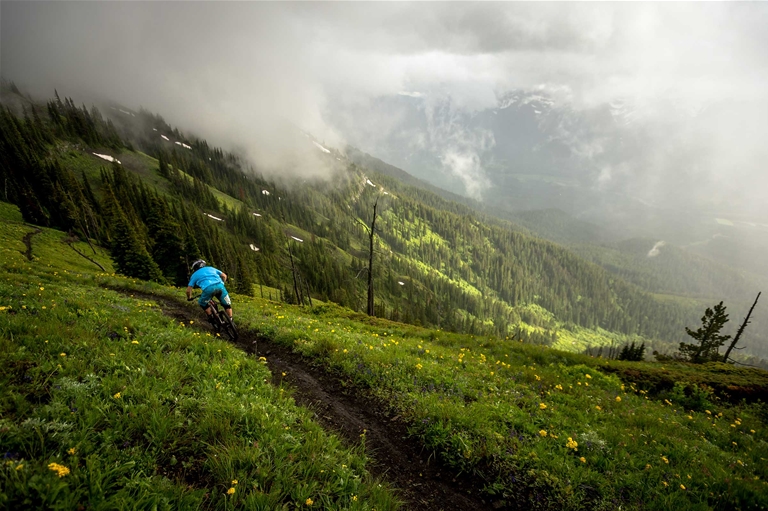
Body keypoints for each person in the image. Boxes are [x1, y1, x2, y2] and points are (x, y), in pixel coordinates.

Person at [186, 259, 233, 328]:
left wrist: (189, 298)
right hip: (220, 286)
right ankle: (231, 320)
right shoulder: (211, 268)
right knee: (227, 305)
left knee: (202, 303)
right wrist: (222, 283)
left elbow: (188, 290)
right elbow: (224, 276)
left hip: (208, 289)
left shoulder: (194, 275)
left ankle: (211, 317)